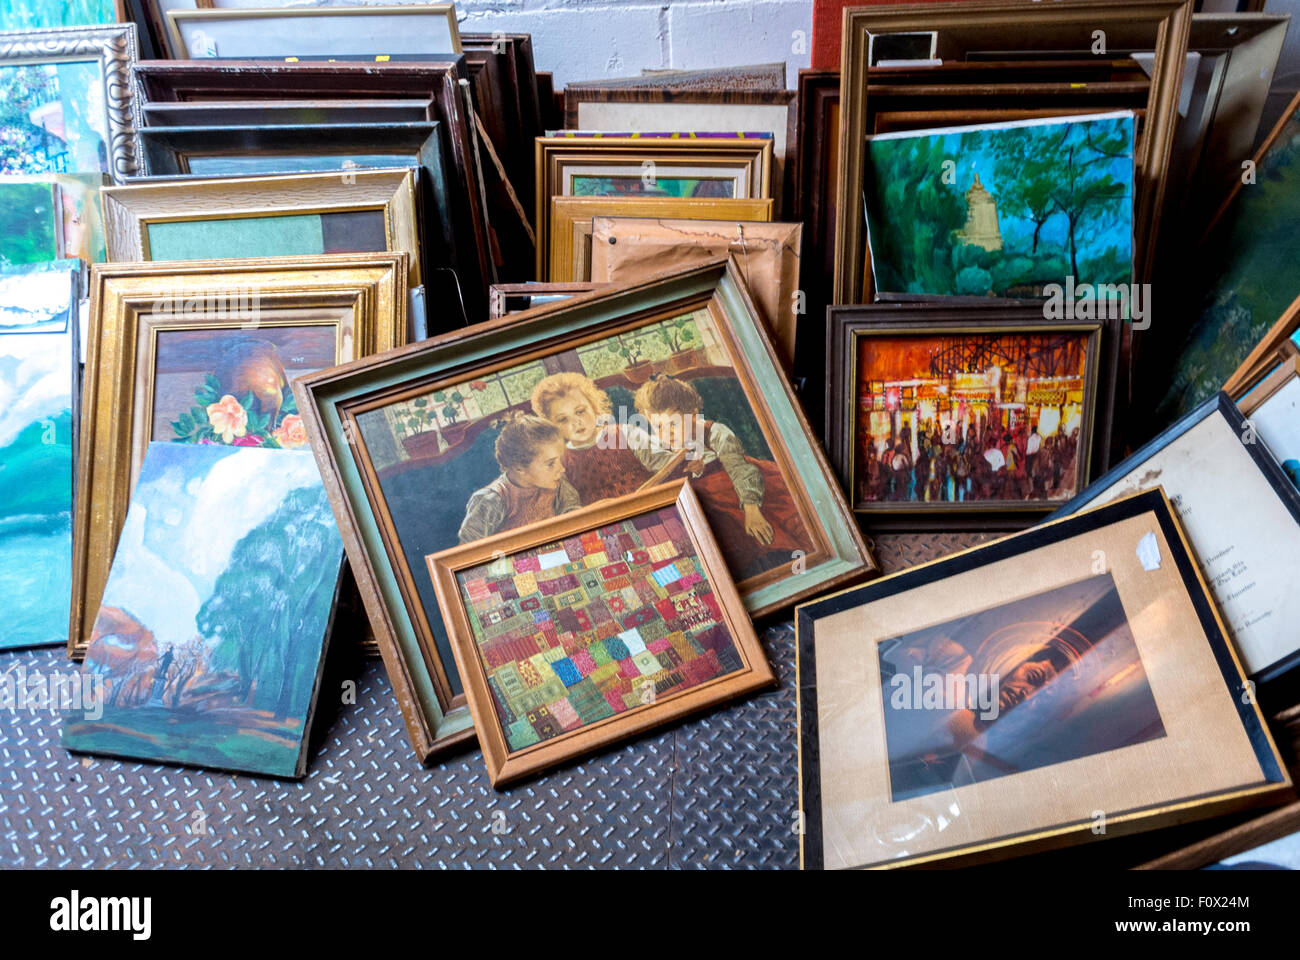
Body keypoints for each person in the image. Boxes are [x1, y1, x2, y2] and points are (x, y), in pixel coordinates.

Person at [633, 375, 809, 574]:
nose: (667, 433)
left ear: (693, 415)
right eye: (658, 427)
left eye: (673, 424)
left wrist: (751, 510)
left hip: (744, 492)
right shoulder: (666, 449)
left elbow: (740, 469)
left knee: (771, 531)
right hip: (710, 504)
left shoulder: (715, 433)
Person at [529, 371, 652, 504]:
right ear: (553, 426)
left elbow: (664, 464)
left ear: (593, 406)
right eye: (563, 419)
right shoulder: (561, 461)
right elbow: (570, 506)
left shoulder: (626, 433)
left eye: (580, 411)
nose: (576, 422)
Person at [458, 415, 580, 542]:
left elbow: (574, 517)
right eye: (550, 463)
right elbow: (470, 549)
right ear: (519, 468)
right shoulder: (492, 500)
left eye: (559, 460)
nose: (561, 469)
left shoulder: (557, 483)